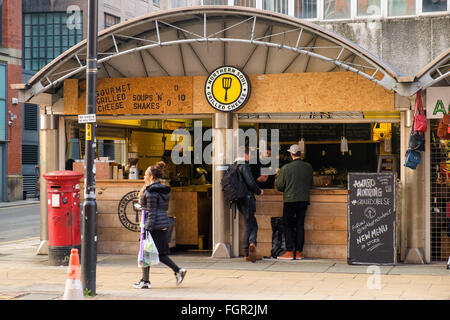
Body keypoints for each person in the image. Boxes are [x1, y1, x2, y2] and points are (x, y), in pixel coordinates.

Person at [133, 161, 187, 289]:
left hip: (154, 225)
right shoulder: (162, 190)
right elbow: (156, 208)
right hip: (162, 223)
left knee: (145, 252)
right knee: (158, 253)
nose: (144, 177)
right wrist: (143, 207)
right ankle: (176, 271)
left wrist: (147, 228)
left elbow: (152, 211)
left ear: (151, 177)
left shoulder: (151, 191)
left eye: (146, 175)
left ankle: (146, 281)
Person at [275, 144, 313, 260]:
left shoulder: (286, 168)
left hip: (290, 200)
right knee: (300, 225)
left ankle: (290, 252)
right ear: (299, 154)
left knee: (288, 225)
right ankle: (299, 252)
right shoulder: (308, 167)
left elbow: (280, 186)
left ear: (291, 154)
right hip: (303, 200)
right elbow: (310, 183)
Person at [235, 147, 264, 262]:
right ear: (246, 155)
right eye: (250, 155)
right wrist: (258, 191)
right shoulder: (244, 165)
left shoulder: (234, 166)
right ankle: (250, 247)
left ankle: (248, 251)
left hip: (239, 199)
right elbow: (250, 182)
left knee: (249, 222)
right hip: (247, 198)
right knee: (251, 224)